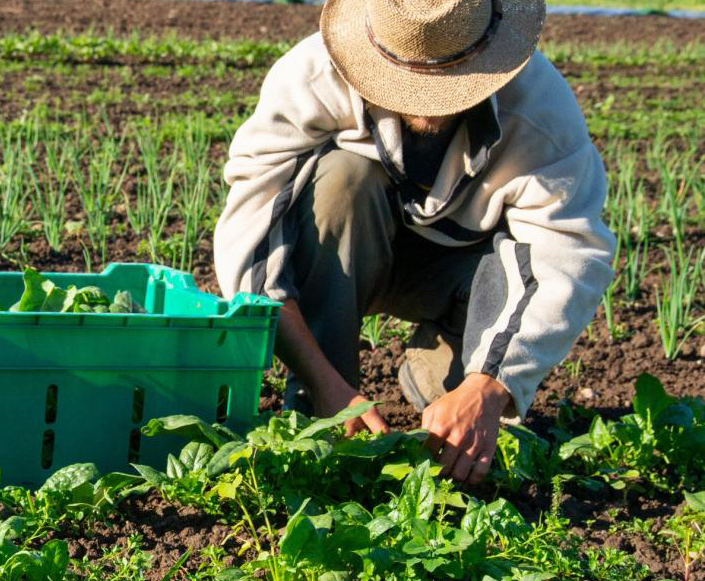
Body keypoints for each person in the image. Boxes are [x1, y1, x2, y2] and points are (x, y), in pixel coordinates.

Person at [213, 0, 614, 484]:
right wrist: (325, 384)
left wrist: (488, 387)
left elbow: (565, 256)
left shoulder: (539, 112)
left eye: (450, 80)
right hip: (349, 252)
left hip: (460, 273)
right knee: (340, 179)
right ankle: (323, 412)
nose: (428, 101)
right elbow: (251, 242)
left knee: (465, 410)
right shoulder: (313, 76)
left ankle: (439, 377)